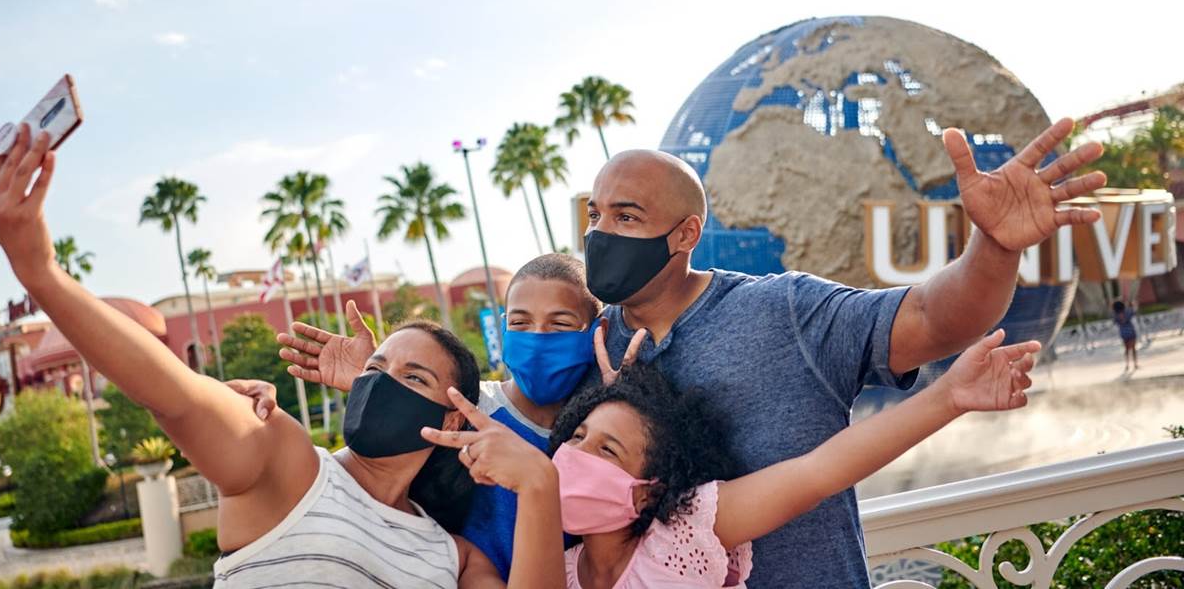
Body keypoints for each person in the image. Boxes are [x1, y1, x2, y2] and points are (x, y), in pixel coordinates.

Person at [0, 124, 565, 588]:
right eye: (374, 370)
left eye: (413, 377)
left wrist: (540, 484)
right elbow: (172, 393)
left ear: (454, 419)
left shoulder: (453, 556)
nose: (380, 385)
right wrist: (41, 272)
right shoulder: (288, 463)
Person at [583, 119, 1106, 586]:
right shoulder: (587, 346)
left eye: (626, 217)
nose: (601, 233)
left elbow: (934, 319)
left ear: (687, 234)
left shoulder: (784, 311)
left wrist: (995, 245)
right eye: (594, 215)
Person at [423, 329, 1040, 588]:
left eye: (607, 448)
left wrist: (947, 397)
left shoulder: (685, 531)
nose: (575, 456)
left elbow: (819, 471)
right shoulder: (555, 569)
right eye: (576, 437)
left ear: (649, 488)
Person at [246, 252, 646, 579]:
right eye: (521, 323)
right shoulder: (462, 409)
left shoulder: (596, 435)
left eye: (559, 324)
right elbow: (362, 469)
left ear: (597, 330)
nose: (538, 337)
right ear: (504, 327)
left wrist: (622, 404)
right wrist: (378, 380)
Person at [1112, 300, 1139, 370]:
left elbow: (1114, 322)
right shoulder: (1127, 312)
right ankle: (1135, 364)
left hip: (1123, 332)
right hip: (1131, 331)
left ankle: (1127, 364)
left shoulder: (1115, 315)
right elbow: (1134, 311)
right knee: (1133, 348)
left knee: (1126, 349)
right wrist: (1133, 304)